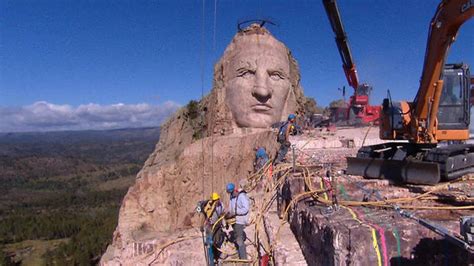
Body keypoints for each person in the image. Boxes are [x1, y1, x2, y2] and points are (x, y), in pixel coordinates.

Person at [225, 182, 250, 260]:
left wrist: (236, 212)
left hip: (240, 220)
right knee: (237, 237)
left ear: (234, 190)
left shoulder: (241, 196)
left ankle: (243, 259)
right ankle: (239, 253)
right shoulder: (232, 197)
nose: (230, 194)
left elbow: (246, 208)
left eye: (231, 192)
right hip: (234, 220)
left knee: (239, 240)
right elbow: (231, 207)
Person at [200, 192, 225, 263]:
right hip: (210, 226)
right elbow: (204, 216)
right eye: (216, 200)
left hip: (217, 226)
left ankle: (217, 257)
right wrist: (201, 226)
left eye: (218, 199)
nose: (218, 201)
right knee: (210, 243)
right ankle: (211, 260)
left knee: (217, 242)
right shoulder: (209, 207)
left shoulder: (221, 205)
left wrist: (224, 223)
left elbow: (223, 214)